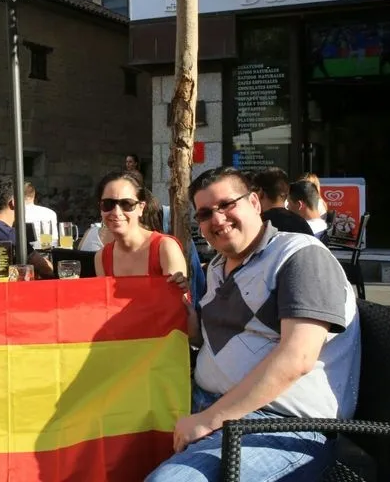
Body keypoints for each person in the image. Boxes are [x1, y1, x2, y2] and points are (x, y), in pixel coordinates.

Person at [146, 166, 360, 482]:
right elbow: (206, 337)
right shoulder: (219, 266)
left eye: (227, 205)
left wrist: (209, 419)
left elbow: (296, 359)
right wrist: (172, 304)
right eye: (205, 214)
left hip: (279, 425)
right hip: (209, 406)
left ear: (256, 204)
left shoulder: (299, 255)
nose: (217, 219)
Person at [93, 170, 186, 278]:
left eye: (126, 204)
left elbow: (177, 294)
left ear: (141, 208)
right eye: (108, 204)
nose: (116, 212)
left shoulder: (165, 248)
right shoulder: (101, 258)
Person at [252, 167, 314, 236]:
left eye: (254, 190)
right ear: (286, 193)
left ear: (260, 193)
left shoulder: (258, 224)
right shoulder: (302, 223)